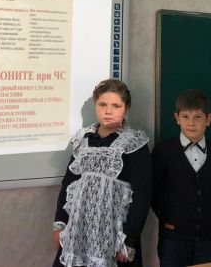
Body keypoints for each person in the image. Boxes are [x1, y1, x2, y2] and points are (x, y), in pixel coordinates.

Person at [52, 79, 152, 267]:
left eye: (116, 106)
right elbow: (68, 184)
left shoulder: (134, 143)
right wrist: (59, 223)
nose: (108, 111)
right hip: (78, 231)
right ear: (95, 104)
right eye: (102, 104)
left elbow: (142, 196)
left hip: (115, 236)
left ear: (126, 108)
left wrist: (129, 240)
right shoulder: (82, 139)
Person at [151, 89, 211, 266]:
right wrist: (171, 218)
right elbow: (154, 192)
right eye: (185, 117)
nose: (191, 123)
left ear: (208, 119)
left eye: (198, 117)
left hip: (206, 238)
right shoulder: (163, 151)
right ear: (177, 118)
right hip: (172, 238)